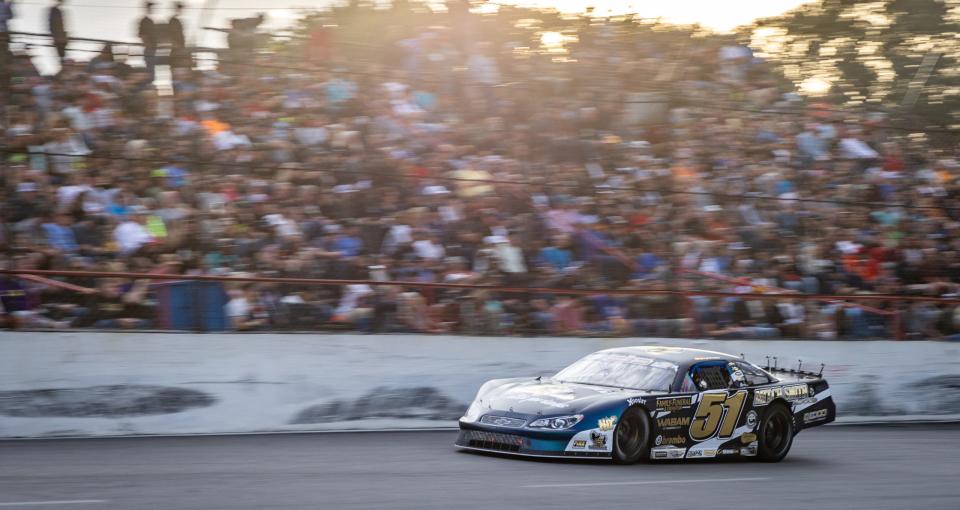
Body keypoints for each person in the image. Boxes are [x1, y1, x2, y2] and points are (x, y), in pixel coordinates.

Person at [137, 1, 157, 78]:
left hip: (153, 49)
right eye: (150, 7)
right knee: (150, 72)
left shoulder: (150, 21)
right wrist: (148, 45)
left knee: (152, 71)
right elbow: (141, 34)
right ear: (146, 8)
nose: (152, 9)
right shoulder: (144, 21)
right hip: (150, 49)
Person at [166, 1, 188, 69]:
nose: (181, 10)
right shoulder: (173, 20)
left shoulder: (176, 20)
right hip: (177, 48)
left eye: (181, 8)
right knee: (176, 65)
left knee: (178, 65)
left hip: (179, 48)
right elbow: (170, 34)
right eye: (179, 8)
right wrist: (176, 45)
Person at [48, 0, 67, 64]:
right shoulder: (55, 10)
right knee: (61, 50)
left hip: (60, 37)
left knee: (61, 50)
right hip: (59, 37)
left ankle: (62, 59)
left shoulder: (56, 11)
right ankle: (62, 59)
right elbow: (52, 25)